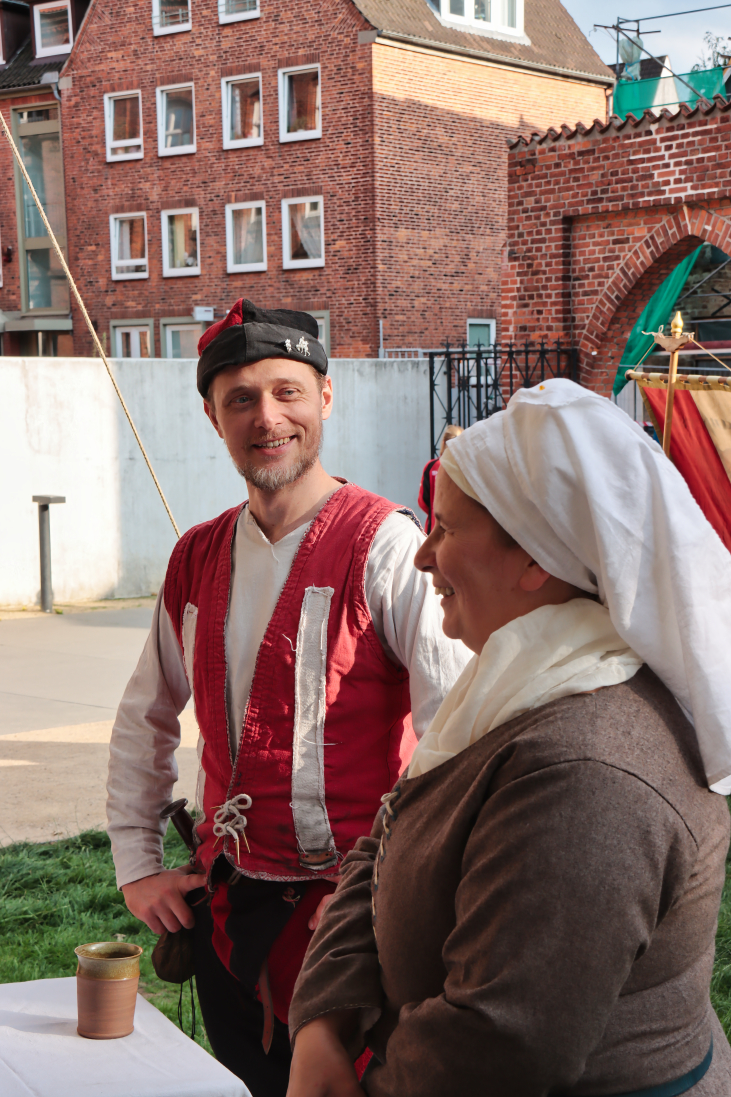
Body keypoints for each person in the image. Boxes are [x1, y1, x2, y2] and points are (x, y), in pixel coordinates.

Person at [287, 378, 731, 1097]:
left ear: (535, 558)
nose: (423, 556)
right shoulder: (527, 683)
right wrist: (324, 1021)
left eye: (446, 529)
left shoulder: (587, 773)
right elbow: (389, 836)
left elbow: (496, 1046)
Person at [106, 298, 469, 1097]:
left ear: (325, 397)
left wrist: (424, 904)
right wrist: (137, 865)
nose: (266, 417)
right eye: (240, 398)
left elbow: (455, 736)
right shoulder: (195, 556)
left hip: (357, 924)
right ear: (212, 416)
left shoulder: (386, 546)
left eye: (286, 391)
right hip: (227, 915)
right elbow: (146, 716)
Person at [417, 424, 463, 533]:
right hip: (459, 530)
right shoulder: (465, 467)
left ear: (443, 443)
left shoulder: (431, 466)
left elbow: (423, 501)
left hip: (434, 530)